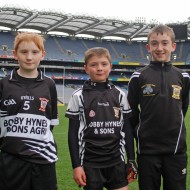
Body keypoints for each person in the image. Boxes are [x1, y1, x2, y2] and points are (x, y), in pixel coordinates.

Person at [127, 24, 190, 190]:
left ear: (173, 46)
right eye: (154, 43)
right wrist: (140, 133)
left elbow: (182, 108)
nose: (159, 48)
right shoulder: (138, 76)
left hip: (176, 150)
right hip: (147, 152)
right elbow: (132, 113)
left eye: (164, 43)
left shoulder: (183, 77)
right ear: (148, 47)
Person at [65, 47, 137, 190]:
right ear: (86, 68)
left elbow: (127, 129)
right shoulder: (78, 96)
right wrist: (76, 166)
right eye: (94, 64)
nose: (99, 68)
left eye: (104, 64)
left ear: (110, 67)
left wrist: (131, 160)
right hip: (90, 163)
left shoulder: (120, 95)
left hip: (116, 161)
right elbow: (72, 134)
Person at [0, 32, 59, 190]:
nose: (29, 57)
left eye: (34, 52)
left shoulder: (49, 85)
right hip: (12, 159)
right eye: (24, 52)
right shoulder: (4, 84)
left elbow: (50, 122)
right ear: (15, 54)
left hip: (43, 158)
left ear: (42, 54)